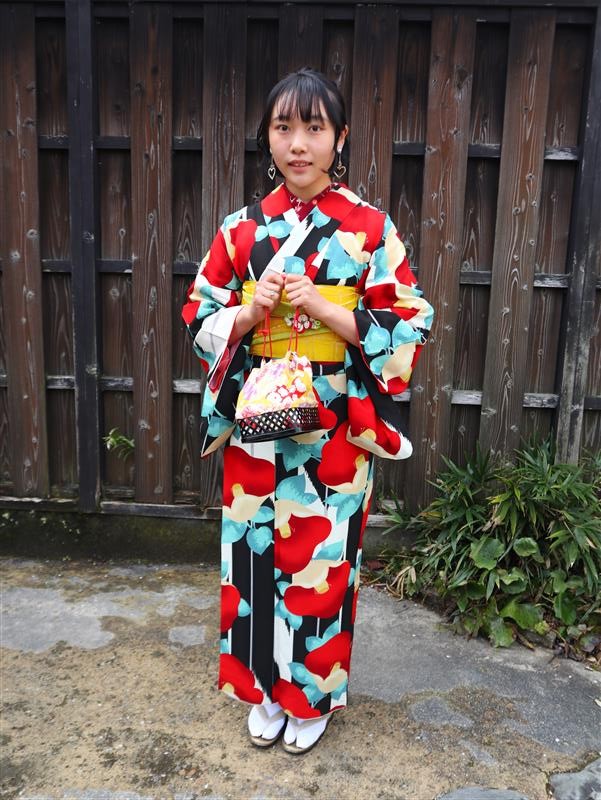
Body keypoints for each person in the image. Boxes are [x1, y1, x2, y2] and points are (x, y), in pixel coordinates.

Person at [182, 68, 435, 754]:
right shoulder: (239, 230)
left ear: (339, 138)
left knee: (322, 554)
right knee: (253, 554)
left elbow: (409, 323)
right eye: (283, 128)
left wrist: (325, 307)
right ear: (268, 138)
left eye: (314, 128)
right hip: (258, 416)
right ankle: (264, 690)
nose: (298, 144)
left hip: (333, 422)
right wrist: (247, 313)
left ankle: (311, 696)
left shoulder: (370, 229)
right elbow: (198, 318)